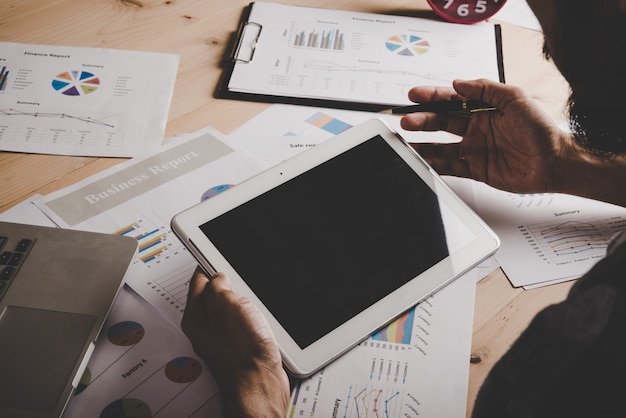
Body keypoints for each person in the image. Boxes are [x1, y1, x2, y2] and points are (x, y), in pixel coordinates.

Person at [181, 1, 626, 416]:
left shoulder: (584, 353)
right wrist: (563, 165)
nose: (548, 56)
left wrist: (255, 391)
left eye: (549, 36)